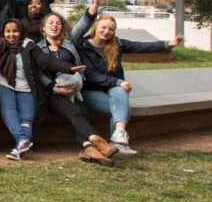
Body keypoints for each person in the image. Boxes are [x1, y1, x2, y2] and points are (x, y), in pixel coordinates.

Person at [36, 0, 124, 166]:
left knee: (83, 112)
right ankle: (99, 142)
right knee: (74, 111)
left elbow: (83, 24)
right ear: (43, 28)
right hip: (53, 94)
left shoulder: (69, 42)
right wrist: (53, 87)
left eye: (58, 23)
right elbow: (39, 74)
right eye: (50, 23)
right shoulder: (37, 48)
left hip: (76, 91)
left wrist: (96, 5)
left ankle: (88, 148)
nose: (54, 25)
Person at [77, 13, 182, 156]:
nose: (107, 31)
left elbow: (140, 46)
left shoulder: (117, 44)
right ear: (96, 27)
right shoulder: (82, 46)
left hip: (112, 89)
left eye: (111, 29)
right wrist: (118, 82)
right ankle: (119, 143)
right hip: (90, 90)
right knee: (121, 106)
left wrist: (166, 44)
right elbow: (90, 75)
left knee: (120, 94)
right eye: (104, 27)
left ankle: (118, 138)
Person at [0, 18, 84, 161]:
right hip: (2, 84)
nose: (11, 34)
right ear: (3, 32)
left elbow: (46, 61)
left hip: (26, 87)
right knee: (9, 109)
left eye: (15, 31)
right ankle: (22, 140)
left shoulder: (29, 46)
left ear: (21, 31)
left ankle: (19, 148)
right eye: (8, 31)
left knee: (26, 119)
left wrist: (68, 68)